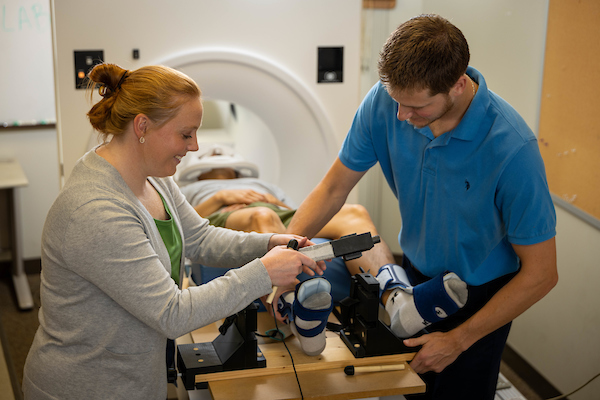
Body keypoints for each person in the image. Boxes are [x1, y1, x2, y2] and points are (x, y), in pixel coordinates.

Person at [286, 14, 558, 400]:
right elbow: (333, 190)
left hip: (481, 296)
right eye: (396, 101)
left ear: (458, 85)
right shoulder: (386, 101)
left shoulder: (512, 150)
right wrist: (284, 255)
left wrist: (460, 339)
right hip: (415, 278)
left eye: (416, 107)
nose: (400, 116)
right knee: (412, 389)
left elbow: (543, 273)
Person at [22, 63, 324, 400]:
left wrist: (268, 242)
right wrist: (264, 272)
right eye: (185, 133)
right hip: (87, 386)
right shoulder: (95, 210)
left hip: (135, 376)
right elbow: (172, 313)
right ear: (142, 126)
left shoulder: (155, 177)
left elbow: (200, 238)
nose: (194, 146)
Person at [176, 144, 395, 277]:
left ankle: (393, 292)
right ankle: (289, 304)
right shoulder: (190, 188)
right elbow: (184, 225)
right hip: (229, 215)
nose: (218, 161)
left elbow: (298, 217)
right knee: (263, 215)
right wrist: (220, 198)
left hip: (273, 210)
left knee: (354, 213)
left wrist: (273, 201)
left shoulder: (264, 185)